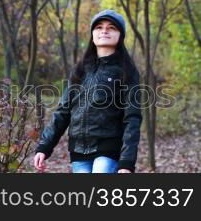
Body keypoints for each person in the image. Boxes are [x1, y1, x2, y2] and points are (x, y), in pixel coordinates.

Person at [33, 9, 142, 173]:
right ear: (92, 34)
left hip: (109, 146)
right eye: (99, 27)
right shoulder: (80, 69)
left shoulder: (126, 71)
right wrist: (45, 146)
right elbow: (63, 111)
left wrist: (126, 161)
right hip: (78, 149)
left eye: (111, 27)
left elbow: (132, 118)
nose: (104, 30)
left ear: (120, 35)